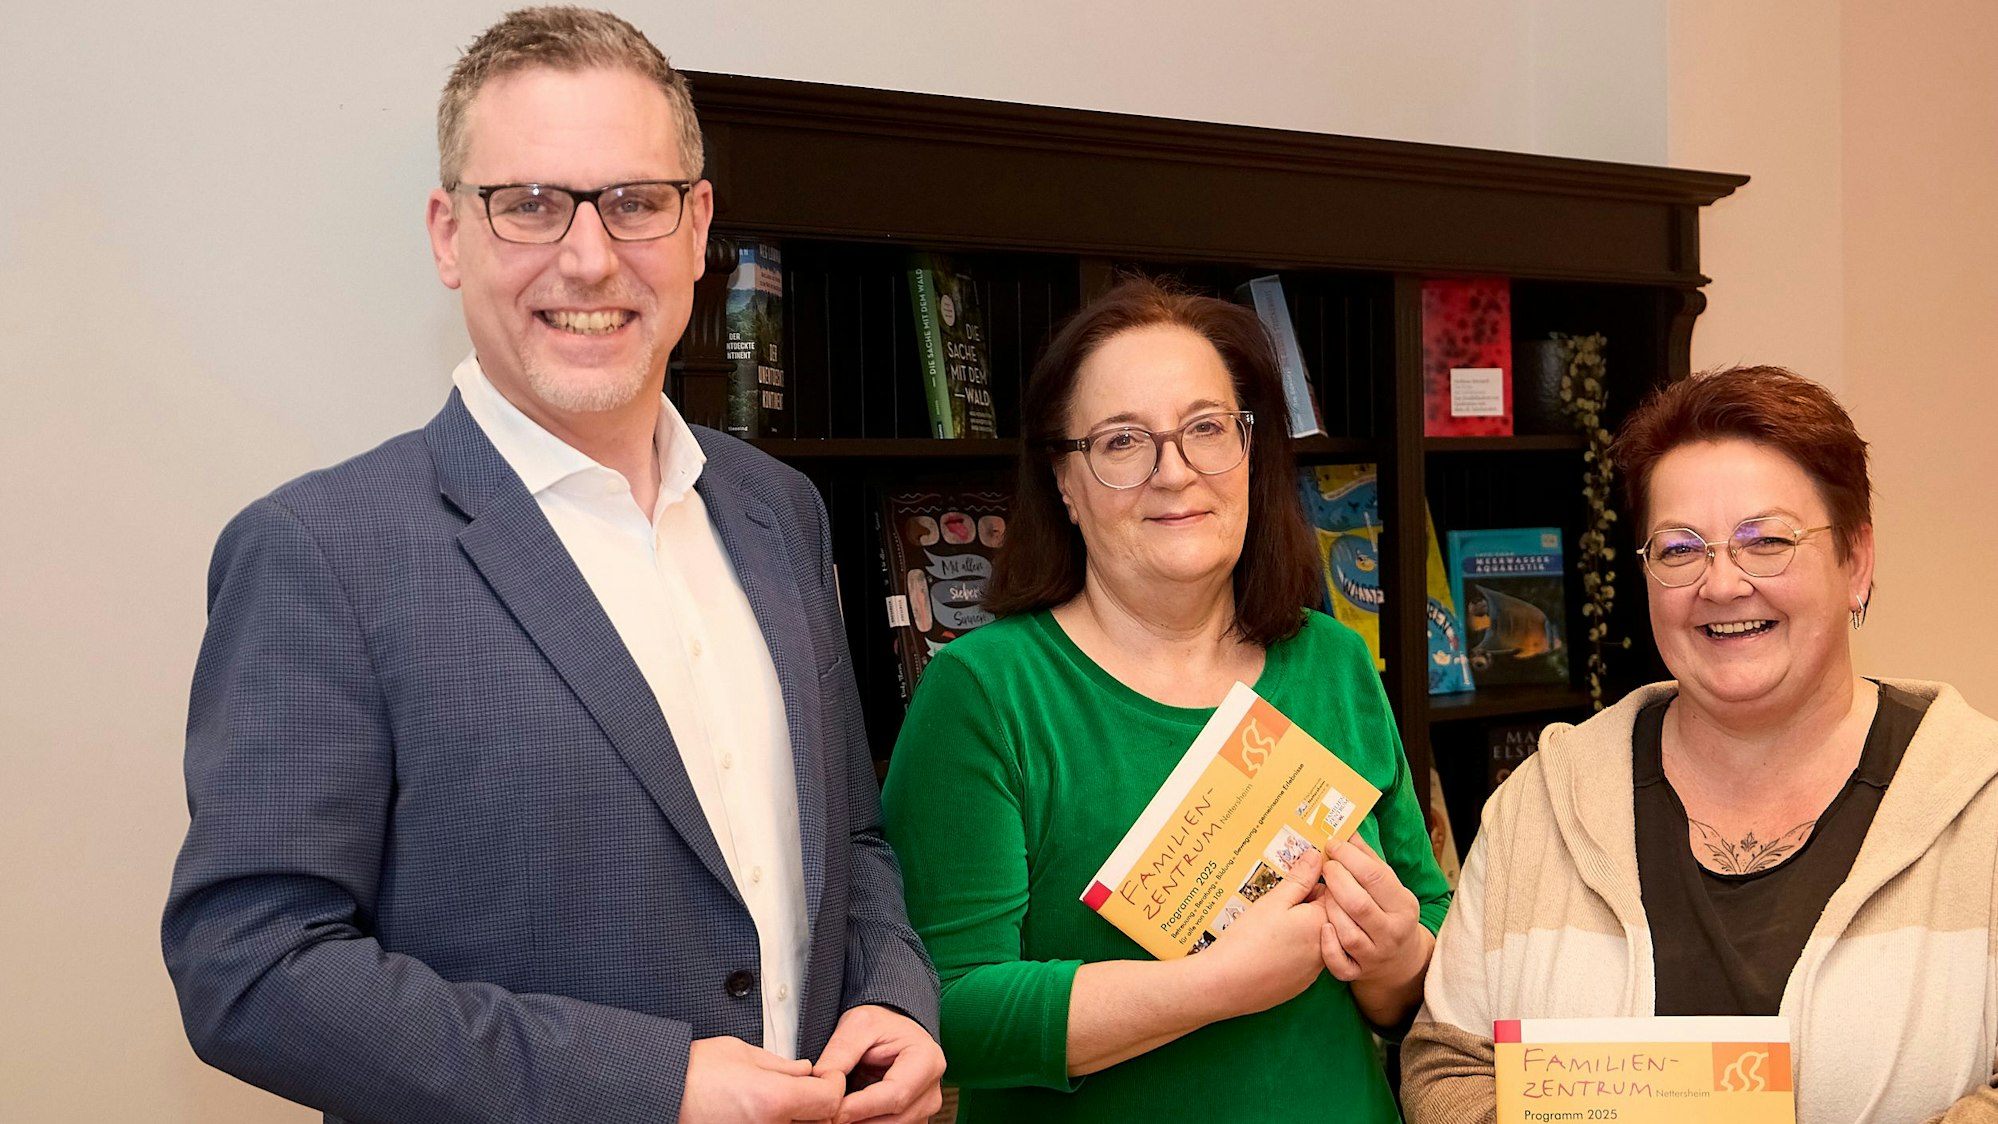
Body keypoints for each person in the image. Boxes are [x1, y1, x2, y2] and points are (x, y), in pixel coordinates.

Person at [161, 10, 942, 1123]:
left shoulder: (780, 511)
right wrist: (651, 1083)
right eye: (528, 203)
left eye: (636, 201)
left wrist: (894, 994)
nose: (589, 254)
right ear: (447, 233)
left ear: (697, 224)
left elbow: (850, 838)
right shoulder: (320, 553)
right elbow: (250, 966)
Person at [880, 277, 1450, 1122]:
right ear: (1064, 484)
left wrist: (1398, 956)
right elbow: (946, 1013)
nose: (1175, 472)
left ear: (1251, 452)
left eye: (1206, 429)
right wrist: (1211, 987)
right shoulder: (986, 692)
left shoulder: (1332, 660)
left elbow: (1425, 935)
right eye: (1121, 443)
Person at [1401, 366, 1998, 1122]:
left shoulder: (1983, 805)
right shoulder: (1539, 809)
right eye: (1681, 549)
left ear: (1857, 561)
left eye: (1767, 540)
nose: (1722, 584)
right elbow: (1448, 1061)